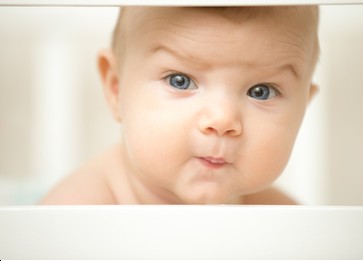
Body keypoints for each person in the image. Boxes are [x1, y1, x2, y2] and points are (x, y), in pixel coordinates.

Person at [40, 6, 319, 205]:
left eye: (261, 91)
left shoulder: (285, 224)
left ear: (303, 109)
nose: (222, 120)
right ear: (116, 88)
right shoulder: (74, 216)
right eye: (180, 81)